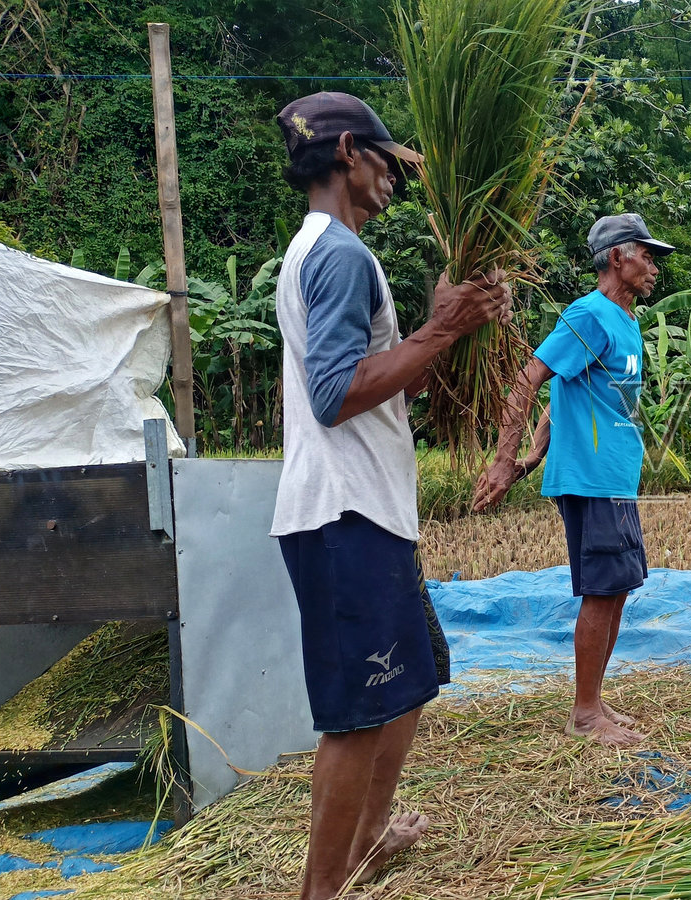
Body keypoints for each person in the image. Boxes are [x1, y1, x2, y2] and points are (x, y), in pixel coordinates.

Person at [268, 92, 509, 900]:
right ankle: (322, 890)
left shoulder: (330, 253)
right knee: (358, 712)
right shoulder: (336, 254)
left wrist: (444, 329)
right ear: (347, 152)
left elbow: (372, 382)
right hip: (343, 516)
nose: (392, 180)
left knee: (414, 676)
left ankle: (369, 841)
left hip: (368, 511)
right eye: (384, 161)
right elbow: (336, 394)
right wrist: (444, 330)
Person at [471, 212, 674, 747]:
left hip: (615, 478)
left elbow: (562, 400)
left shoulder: (625, 322)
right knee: (602, 593)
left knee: (618, 589)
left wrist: (532, 457)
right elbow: (528, 380)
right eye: (647, 255)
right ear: (617, 257)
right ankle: (583, 716)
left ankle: (595, 702)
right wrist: (503, 460)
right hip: (591, 479)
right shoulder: (588, 315)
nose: (654, 267)